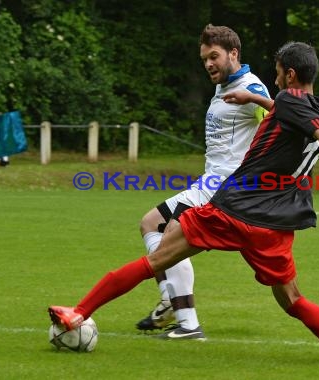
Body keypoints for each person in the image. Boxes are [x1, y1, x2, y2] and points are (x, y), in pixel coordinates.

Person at [49, 41, 319, 365]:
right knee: (293, 300)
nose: (276, 79)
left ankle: (79, 312)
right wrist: (252, 97)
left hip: (234, 209)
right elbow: (303, 122)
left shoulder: (290, 100)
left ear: (292, 76)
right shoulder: (318, 109)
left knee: (156, 259)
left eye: (279, 73)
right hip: (274, 226)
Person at [135, 24, 270, 340]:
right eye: (205, 59)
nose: (208, 64)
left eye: (214, 56)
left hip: (224, 187)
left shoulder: (252, 86)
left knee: (165, 235)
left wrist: (252, 97)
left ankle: (186, 322)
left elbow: (284, 115)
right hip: (208, 183)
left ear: (233, 54)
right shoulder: (223, 86)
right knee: (150, 224)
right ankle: (174, 302)